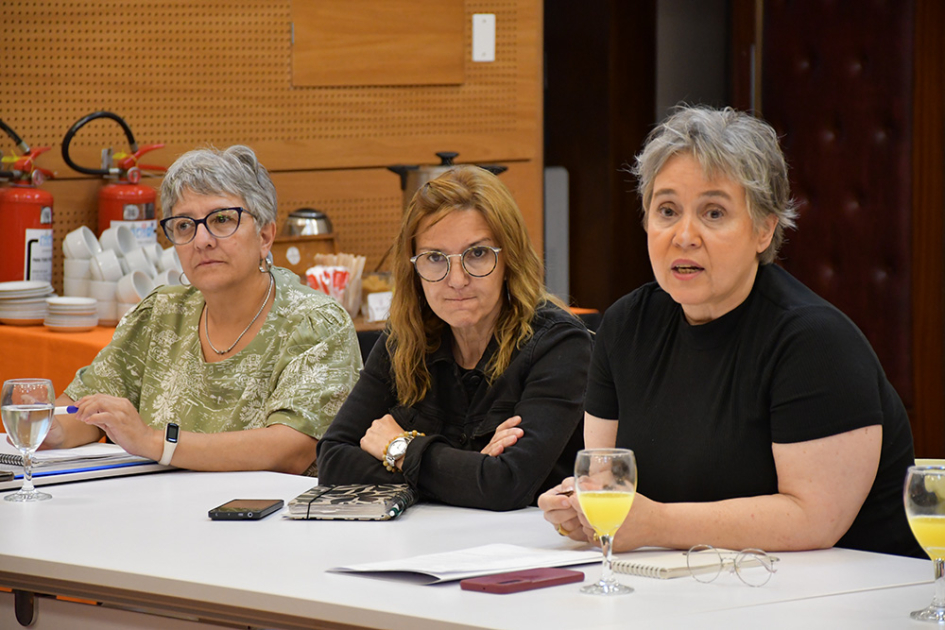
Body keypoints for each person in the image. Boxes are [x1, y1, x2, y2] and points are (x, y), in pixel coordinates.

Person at [539, 105, 923, 558]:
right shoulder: (624, 328)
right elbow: (607, 483)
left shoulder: (814, 342)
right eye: (666, 210)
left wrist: (653, 523)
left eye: (714, 213)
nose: (684, 235)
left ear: (764, 228)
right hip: (692, 586)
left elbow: (813, 520)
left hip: (846, 600)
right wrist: (583, 508)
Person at [42, 145, 362, 474]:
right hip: (161, 512)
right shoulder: (160, 314)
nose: (202, 240)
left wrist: (153, 442)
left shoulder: (315, 323)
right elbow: (87, 411)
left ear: (265, 236)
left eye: (222, 220)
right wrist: (52, 431)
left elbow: (291, 450)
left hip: (264, 517)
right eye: (184, 225)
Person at [316, 165, 592, 510]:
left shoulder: (560, 345)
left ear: (510, 259)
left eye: (477, 254)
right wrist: (471, 468)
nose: (457, 279)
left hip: (529, 549)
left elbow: (506, 484)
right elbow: (333, 460)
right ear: (413, 268)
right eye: (435, 258)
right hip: (426, 542)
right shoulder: (403, 340)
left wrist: (398, 448)